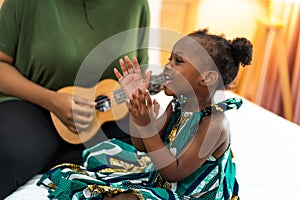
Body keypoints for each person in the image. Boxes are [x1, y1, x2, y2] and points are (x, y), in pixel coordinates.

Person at [37, 28, 253, 199]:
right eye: (169, 59)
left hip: (190, 194)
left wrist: (148, 126)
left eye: (178, 61)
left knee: (128, 197)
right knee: (101, 152)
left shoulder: (214, 123)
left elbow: (173, 172)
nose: (167, 66)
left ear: (206, 78)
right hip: (163, 181)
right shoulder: (177, 106)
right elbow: (141, 145)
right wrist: (139, 114)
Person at [0, 0, 150, 198]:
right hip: (33, 105)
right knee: (8, 151)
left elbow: (138, 72)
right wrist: (51, 100)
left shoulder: (137, 5)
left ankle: (60, 161)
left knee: (147, 156)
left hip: (104, 115)